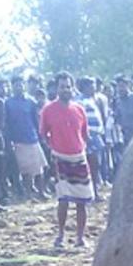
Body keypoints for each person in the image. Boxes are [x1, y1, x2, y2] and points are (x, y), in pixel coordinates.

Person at [39, 71, 93, 248]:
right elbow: (43, 133)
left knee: (82, 200)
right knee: (63, 199)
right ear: (57, 88)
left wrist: (79, 149)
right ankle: (61, 235)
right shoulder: (48, 110)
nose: (65, 90)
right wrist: (53, 148)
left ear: (72, 87)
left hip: (79, 157)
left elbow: (85, 134)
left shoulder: (79, 109)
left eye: (68, 86)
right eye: (62, 87)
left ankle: (80, 237)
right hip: (60, 158)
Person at [4, 75, 47, 200]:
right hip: (18, 140)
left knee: (39, 168)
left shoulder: (31, 101)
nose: (19, 87)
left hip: (33, 138)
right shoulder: (8, 103)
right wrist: (9, 140)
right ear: (13, 87)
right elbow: (7, 123)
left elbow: (36, 120)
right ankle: (28, 195)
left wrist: (41, 136)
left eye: (21, 84)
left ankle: (41, 192)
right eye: (16, 85)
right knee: (26, 170)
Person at [77, 76, 105, 202]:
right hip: (88, 137)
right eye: (91, 85)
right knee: (91, 165)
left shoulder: (93, 100)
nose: (94, 88)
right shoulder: (81, 102)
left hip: (96, 136)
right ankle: (90, 192)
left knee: (96, 165)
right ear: (85, 88)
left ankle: (94, 191)